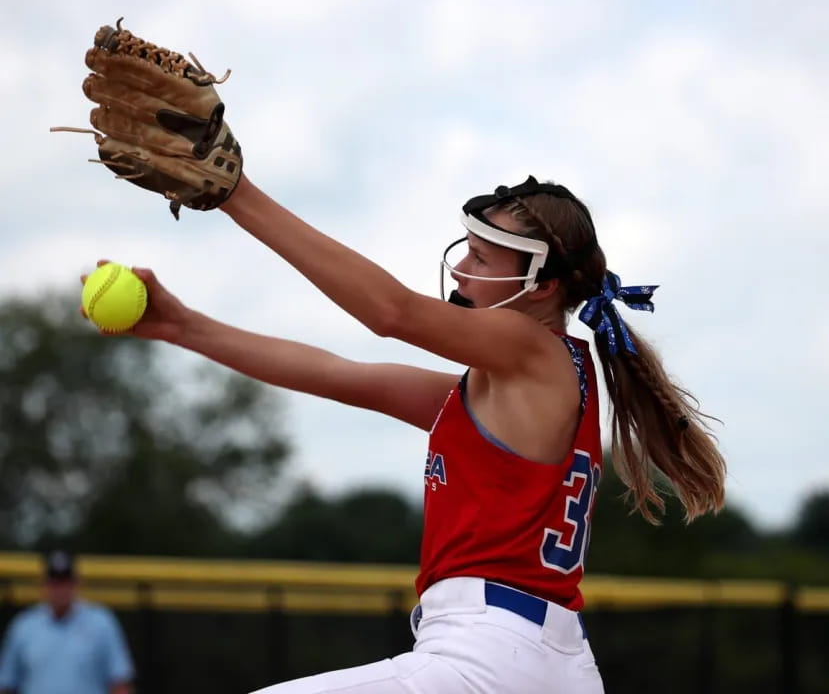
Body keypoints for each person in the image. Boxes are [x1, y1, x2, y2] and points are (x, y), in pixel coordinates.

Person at [82, 174, 726, 694]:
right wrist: (183, 326)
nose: (461, 269)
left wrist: (233, 193)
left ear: (544, 285)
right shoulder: (510, 385)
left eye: (483, 254)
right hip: (548, 663)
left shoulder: (530, 346)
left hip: (487, 656)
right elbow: (336, 373)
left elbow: (389, 312)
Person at [0, 550, 134, 694]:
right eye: (55, 582)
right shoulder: (24, 626)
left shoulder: (101, 623)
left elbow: (119, 682)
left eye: (65, 582)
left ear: (77, 583)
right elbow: (7, 685)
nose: (60, 590)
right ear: (44, 584)